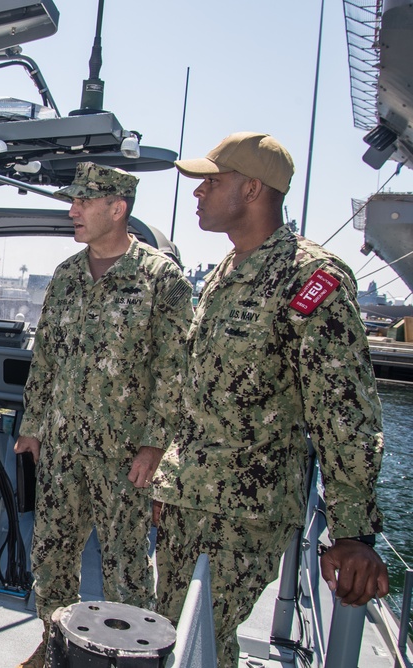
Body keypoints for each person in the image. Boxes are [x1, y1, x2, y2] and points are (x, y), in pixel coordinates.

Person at [153, 132, 388, 666]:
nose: (198, 194)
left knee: (202, 641)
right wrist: (171, 478)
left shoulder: (309, 277)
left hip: (244, 511)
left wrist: (352, 532)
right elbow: (200, 393)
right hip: (191, 499)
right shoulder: (225, 273)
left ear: (253, 189)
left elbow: (343, 409)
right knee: (178, 632)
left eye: (211, 183)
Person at [12, 163, 193, 668]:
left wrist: (156, 446)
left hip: (125, 458)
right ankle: (52, 649)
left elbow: (174, 371)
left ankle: (128, 659)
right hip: (63, 450)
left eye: (84, 202)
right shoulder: (68, 275)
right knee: (50, 560)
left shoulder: (163, 280)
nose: (73, 211)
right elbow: (45, 356)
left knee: (127, 569)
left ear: (118, 209)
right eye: (73, 201)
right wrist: (32, 426)